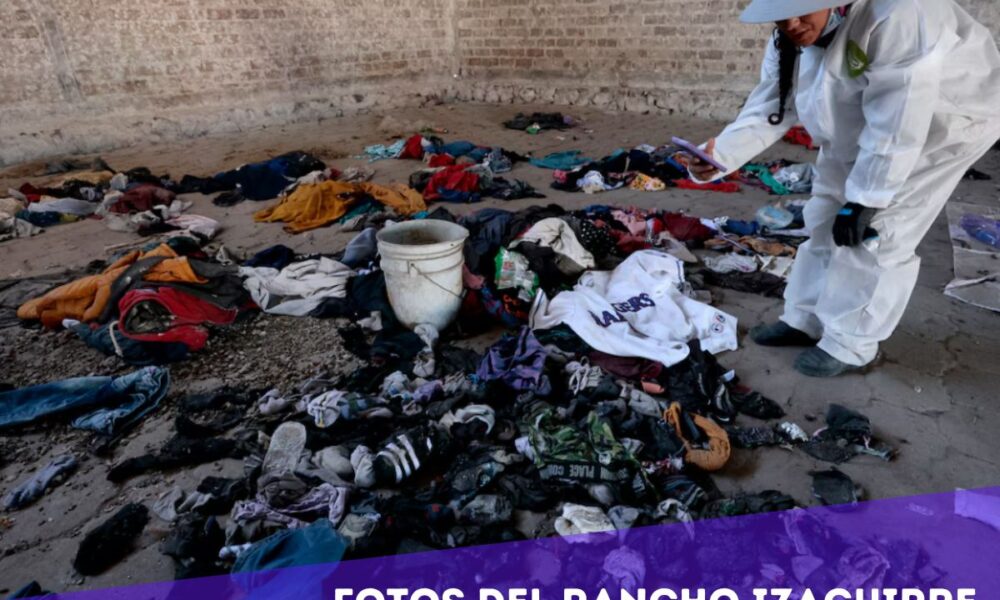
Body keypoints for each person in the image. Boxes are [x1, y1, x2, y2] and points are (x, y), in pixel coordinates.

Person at [685, 0, 1000, 377]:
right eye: (782, 17)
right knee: (823, 217)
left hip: (942, 126)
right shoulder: (789, 37)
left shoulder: (901, 15)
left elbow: (900, 121)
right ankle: (805, 318)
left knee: (875, 232)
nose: (794, 24)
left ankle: (850, 343)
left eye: (802, 13)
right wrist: (718, 155)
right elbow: (772, 104)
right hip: (859, 126)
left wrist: (866, 199)